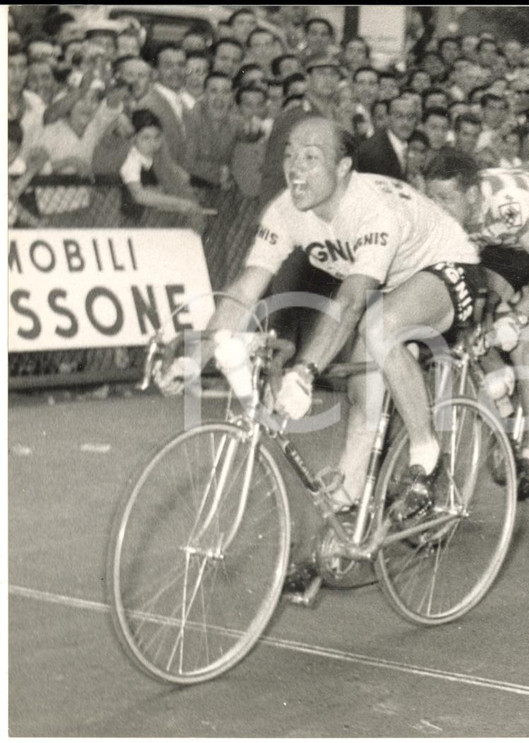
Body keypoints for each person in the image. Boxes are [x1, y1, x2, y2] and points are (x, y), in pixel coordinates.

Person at [155, 116, 482, 588]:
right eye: (289, 155)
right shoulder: (286, 209)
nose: (294, 169)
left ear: (344, 167)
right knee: (362, 399)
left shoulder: (371, 210)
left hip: (447, 267)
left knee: (377, 327)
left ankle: (425, 454)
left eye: (311, 158)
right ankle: (340, 536)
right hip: (390, 282)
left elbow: (349, 303)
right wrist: (195, 354)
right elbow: (247, 288)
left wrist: (305, 371)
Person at [424, 147, 529, 498]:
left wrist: (518, 316)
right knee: (472, 318)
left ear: (473, 195)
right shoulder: (459, 211)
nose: (437, 207)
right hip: (503, 243)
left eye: (446, 199)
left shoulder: (506, 202)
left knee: (524, 347)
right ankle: (499, 377)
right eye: (431, 197)